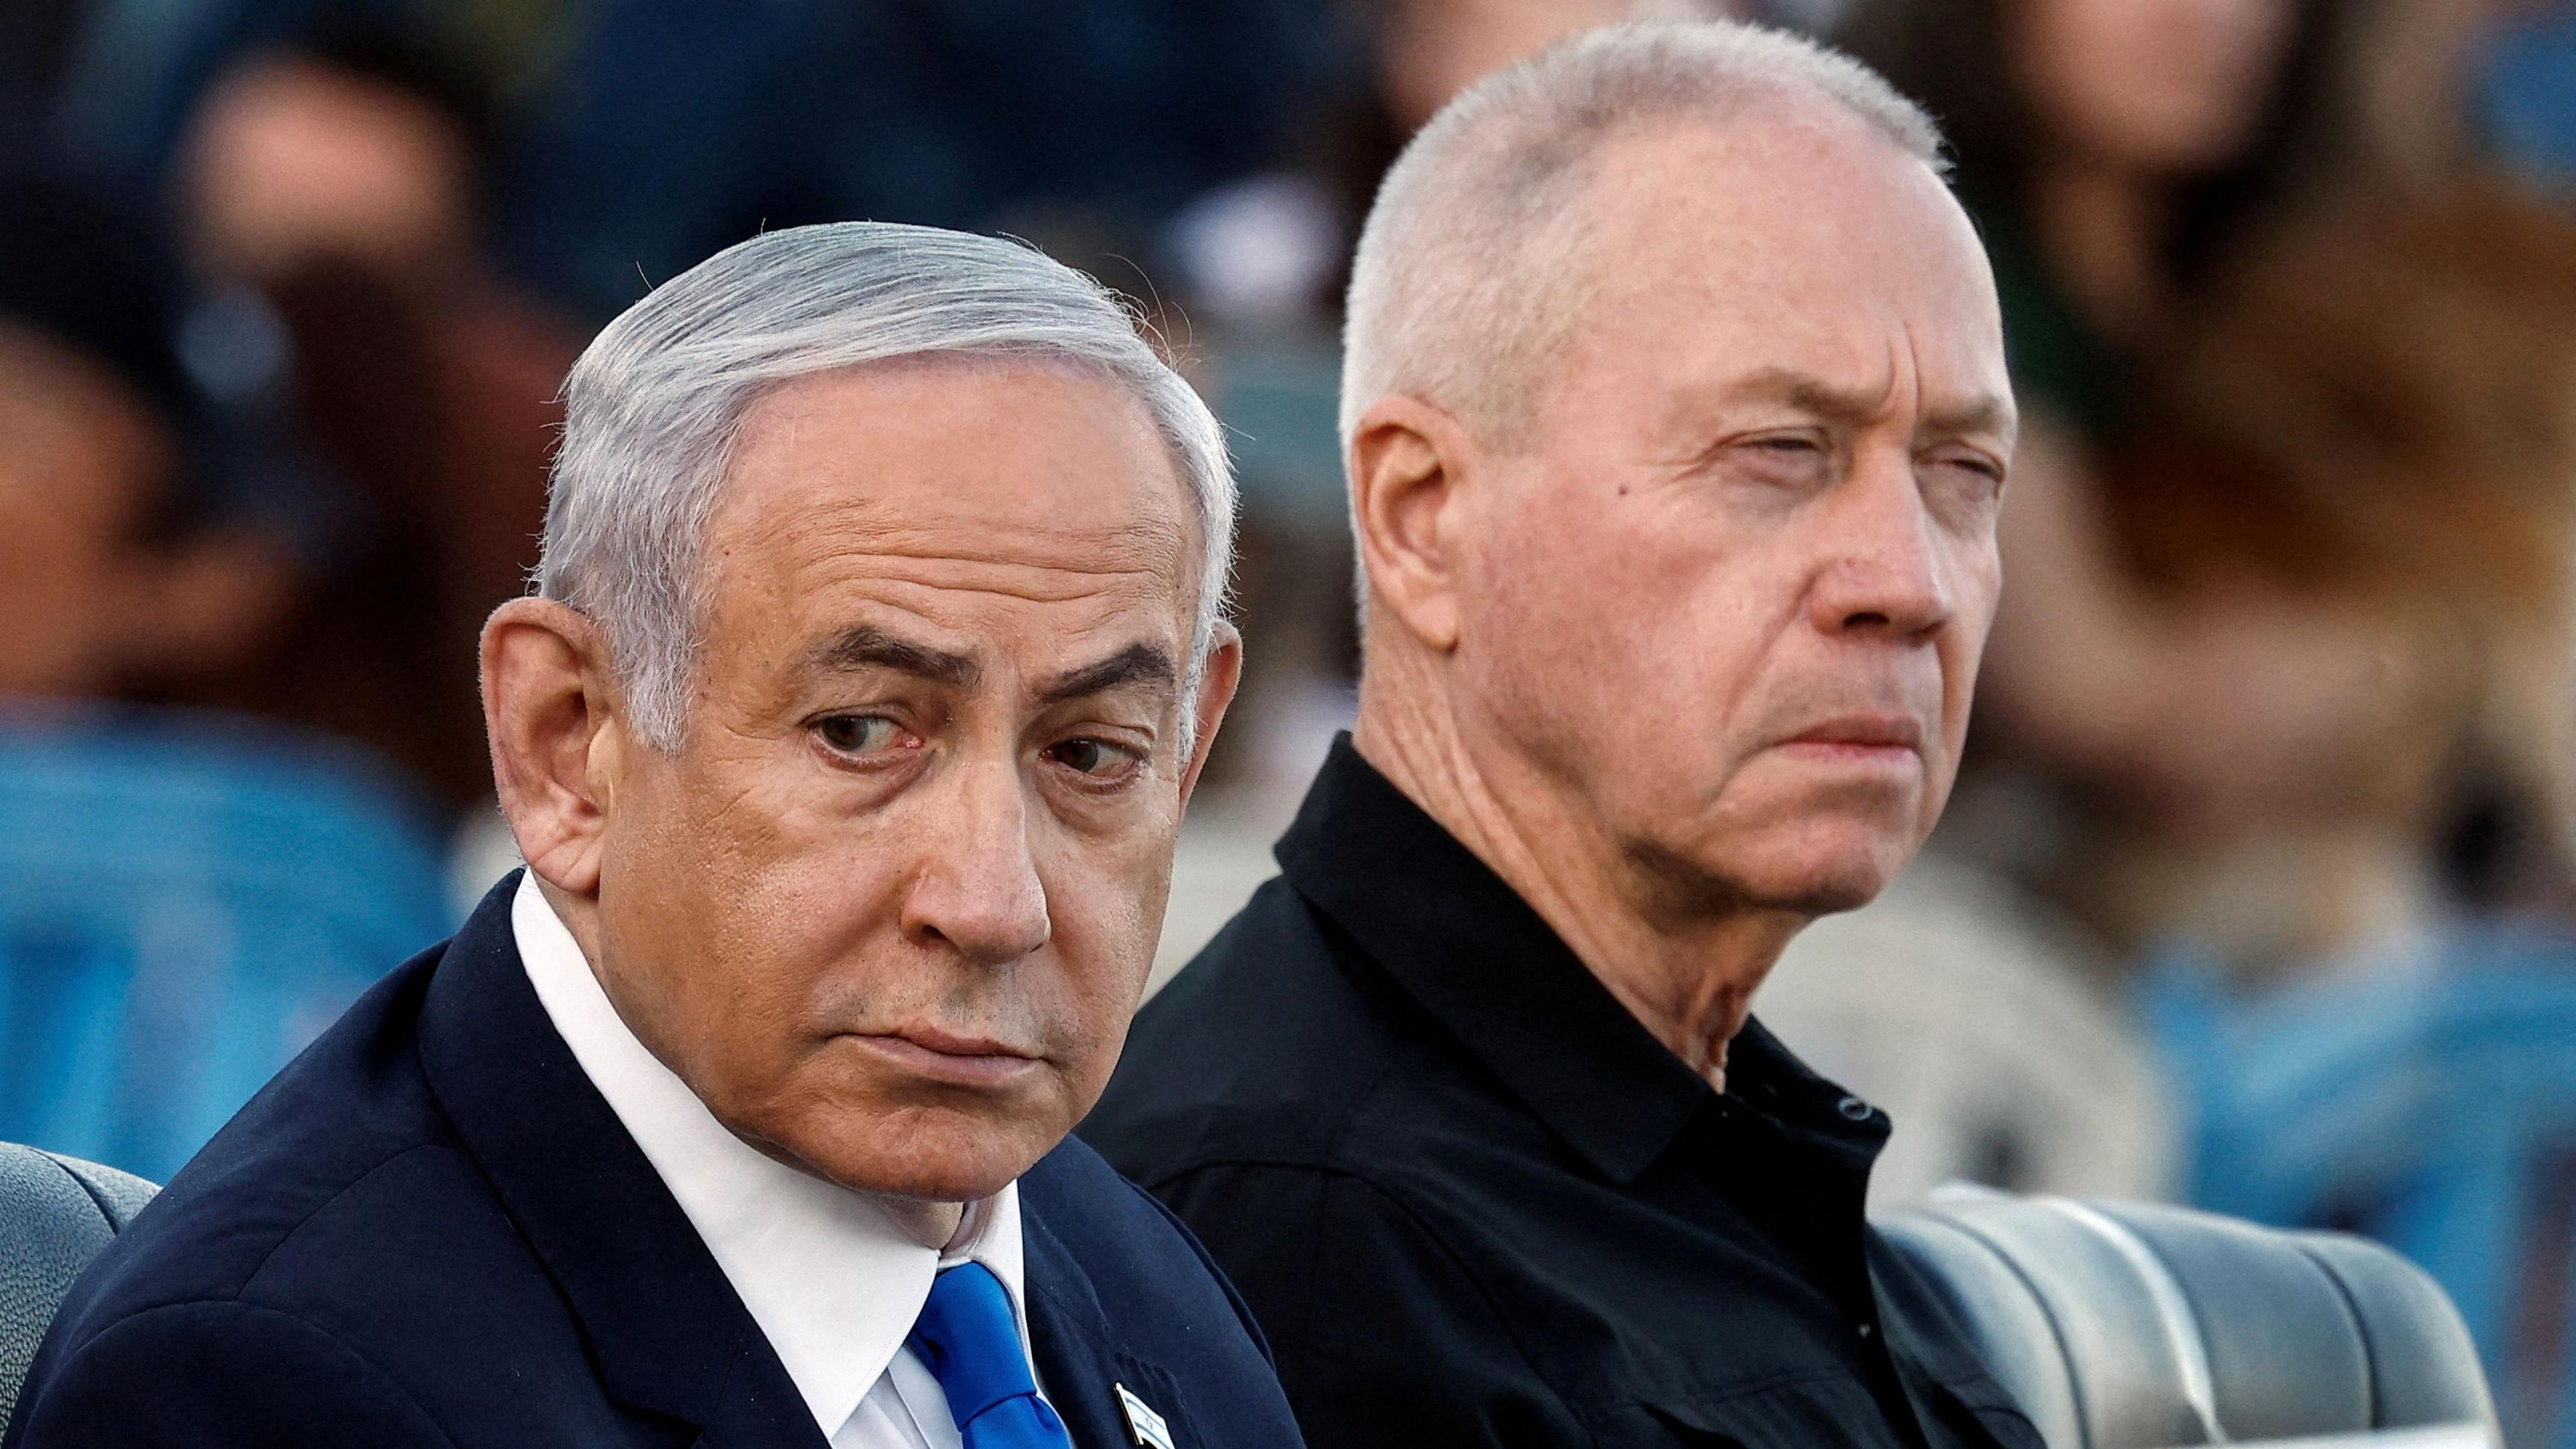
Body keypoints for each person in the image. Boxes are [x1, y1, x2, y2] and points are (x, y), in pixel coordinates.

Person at [7, 222, 1301, 1449]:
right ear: (569, 742)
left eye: (1088, 755)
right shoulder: (269, 1389)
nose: (994, 900)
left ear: (1190, 752)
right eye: (859, 732)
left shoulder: (1123, 1270)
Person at [1085, 19, 2036, 1449]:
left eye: (1963, 472)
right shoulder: (1308, 1241)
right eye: (1781, 451)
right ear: (1422, 517)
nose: (1906, 579)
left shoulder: (1718, 1157)